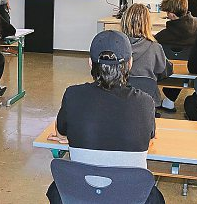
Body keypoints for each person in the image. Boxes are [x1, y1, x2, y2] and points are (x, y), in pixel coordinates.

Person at [46, 30, 164, 204]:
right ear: (129, 63)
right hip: (130, 195)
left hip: (81, 194)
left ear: (89, 63)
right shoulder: (146, 102)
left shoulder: (72, 95)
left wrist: (73, 136)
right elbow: (149, 140)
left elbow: (61, 133)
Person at [154, 0, 197, 112]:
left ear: (171, 14)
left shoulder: (163, 36)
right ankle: (169, 100)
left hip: (171, 69)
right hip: (192, 66)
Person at [121, 3, 172, 106]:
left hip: (119, 99)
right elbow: (164, 72)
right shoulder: (155, 48)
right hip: (148, 101)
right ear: (148, 24)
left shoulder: (116, 46)